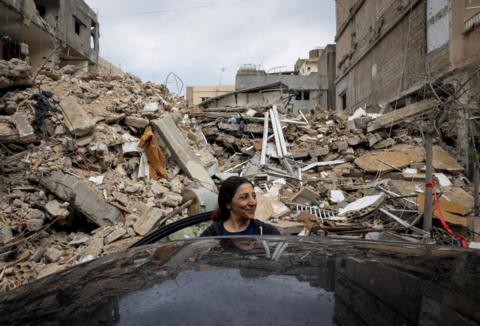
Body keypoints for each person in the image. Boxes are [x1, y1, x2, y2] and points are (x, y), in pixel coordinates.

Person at [201, 176, 280, 236]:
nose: (252, 202)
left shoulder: (266, 232)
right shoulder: (212, 235)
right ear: (228, 204)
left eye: (254, 196)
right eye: (244, 197)